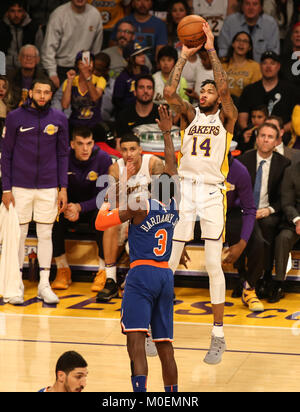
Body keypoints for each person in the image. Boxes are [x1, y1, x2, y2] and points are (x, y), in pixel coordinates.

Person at [164, 22, 238, 365]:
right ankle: (156, 328)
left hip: (211, 194)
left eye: (211, 89)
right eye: (203, 90)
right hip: (185, 191)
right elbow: (168, 94)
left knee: (212, 265)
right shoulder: (190, 117)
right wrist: (182, 57)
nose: (207, 92)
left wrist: (209, 48)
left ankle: (218, 335)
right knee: (167, 264)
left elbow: (224, 89)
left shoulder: (226, 117)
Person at [95, 105, 180, 393]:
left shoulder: (139, 206)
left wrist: (113, 195)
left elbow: (100, 222)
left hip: (141, 274)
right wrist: (167, 134)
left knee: (135, 340)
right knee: (165, 346)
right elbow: (172, 168)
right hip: (166, 275)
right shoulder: (173, 204)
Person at [1, 78, 69, 305]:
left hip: (49, 186)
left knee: (46, 235)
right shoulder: (14, 118)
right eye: (38, 91)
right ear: (30, 92)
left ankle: (44, 284)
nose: (42, 96)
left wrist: (63, 188)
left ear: (52, 95)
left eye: (46, 92)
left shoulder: (59, 119)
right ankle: (16, 284)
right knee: (18, 237)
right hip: (19, 186)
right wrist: (6, 188)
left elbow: (62, 155)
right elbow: (6, 155)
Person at [96, 132, 164, 302]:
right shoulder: (116, 168)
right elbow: (110, 201)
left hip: (149, 215)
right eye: (125, 150)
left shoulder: (153, 163)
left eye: (133, 149)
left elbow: (160, 198)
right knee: (110, 224)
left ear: (140, 149)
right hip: (125, 214)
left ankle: (140, 279)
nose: (129, 154)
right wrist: (124, 181)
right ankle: (110, 280)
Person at [51, 126, 112, 292]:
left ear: (93, 143)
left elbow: (104, 197)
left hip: (92, 207)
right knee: (52, 218)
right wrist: (68, 208)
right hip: (67, 207)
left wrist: (80, 207)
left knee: (103, 218)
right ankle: (62, 270)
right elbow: (56, 187)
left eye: (89, 143)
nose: (85, 148)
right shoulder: (64, 158)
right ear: (72, 144)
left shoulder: (103, 158)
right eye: (80, 143)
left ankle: (103, 270)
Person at [237, 122, 291, 300]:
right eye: (262, 136)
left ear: (277, 142)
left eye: (270, 137)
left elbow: (284, 197)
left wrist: (268, 210)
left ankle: (264, 277)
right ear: (256, 138)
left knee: (266, 226)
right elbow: (235, 191)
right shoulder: (244, 159)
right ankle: (243, 276)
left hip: (269, 212)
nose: (266, 140)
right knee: (239, 225)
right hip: (244, 210)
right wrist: (248, 210)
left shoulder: (283, 164)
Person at [224, 151, 265, 311]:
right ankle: (165, 287)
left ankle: (249, 287)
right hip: (202, 213)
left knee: (257, 241)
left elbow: (249, 209)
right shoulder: (200, 167)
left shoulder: (239, 170)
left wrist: (242, 244)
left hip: (231, 211)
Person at [41, 0, 103, 89]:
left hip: (85, 68)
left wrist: (91, 70)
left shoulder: (95, 15)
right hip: (60, 68)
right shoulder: (58, 15)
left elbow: (96, 49)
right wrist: (52, 74)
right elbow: (48, 49)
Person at [238, 50, 299, 133]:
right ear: (260, 66)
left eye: (272, 63)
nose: (268, 66)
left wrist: (278, 132)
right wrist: (251, 132)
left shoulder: (291, 90)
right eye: (264, 63)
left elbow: (297, 118)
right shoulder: (249, 90)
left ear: (278, 66)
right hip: (253, 136)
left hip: (283, 136)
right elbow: (242, 119)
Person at [271, 161, 300, 302]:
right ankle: (279, 283)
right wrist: (297, 220)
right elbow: (287, 203)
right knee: (283, 238)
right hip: (294, 222)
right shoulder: (291, 171)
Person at [109, 0, 168, 67]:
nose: (142, 3)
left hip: (150, 66)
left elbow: (160, 52)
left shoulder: (159, 24)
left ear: (151, 3)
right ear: (133, 2)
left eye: (146, 0)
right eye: (138, 0)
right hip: (124, 64)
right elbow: (113, 47)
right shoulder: (123, 22)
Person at [61, 50, 106, 137]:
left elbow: (95, 97)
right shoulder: (70, 81)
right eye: (83, 61)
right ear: (77, 65)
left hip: (94, 125)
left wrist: (87, 76)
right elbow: (65, 105)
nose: (87, 64)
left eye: (90, 61)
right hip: (75, 125)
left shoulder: (100, 80)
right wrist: (70, 81)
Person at [0, 0, 44, 75]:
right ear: (7, 13)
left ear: (24, 12)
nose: (16, 15)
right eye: (12, 11)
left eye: (19, 11)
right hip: (3, 70)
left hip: (28, 71)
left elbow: (40, 54)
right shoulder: (1, 28)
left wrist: (39, 73)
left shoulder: (34, 28)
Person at [115, 74, 160, 143]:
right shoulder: (124, 115)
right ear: (135, 92)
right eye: (141, 87)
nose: (145, 91)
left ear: (153, 92)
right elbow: (119, 143)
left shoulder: (162, 113)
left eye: (149, 88)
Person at [112, 41, 150, 118]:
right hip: (127, 114)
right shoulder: (123, 78)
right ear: (129, 58)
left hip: (145, 111)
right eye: (138, 55)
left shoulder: (146, 71)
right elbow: (116, 101)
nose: (143, 57)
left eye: (143, 53)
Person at [221, 31, 262, 101]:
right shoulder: (222, 63)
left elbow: (256, 92)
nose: (241, 43)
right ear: (233, 44)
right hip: (223, 103)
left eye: (245, 41)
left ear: (250, 47)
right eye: (238, 40)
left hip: (245, 105)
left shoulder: (255, 66)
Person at [7, 44, 49, 109]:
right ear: (19, 58)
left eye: (32, 56)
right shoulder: (10, 76)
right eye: (25, 56)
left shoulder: (44, 78)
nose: (28, 59)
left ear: (37, 60)